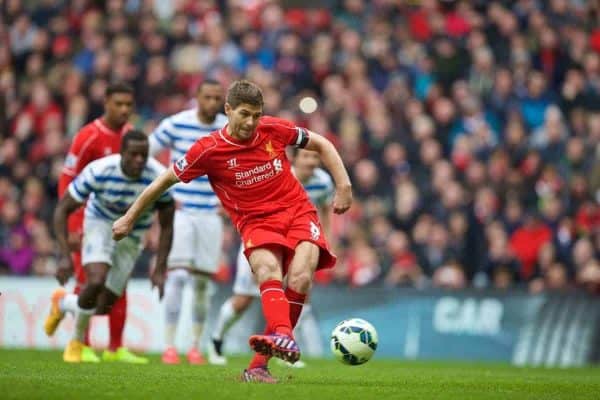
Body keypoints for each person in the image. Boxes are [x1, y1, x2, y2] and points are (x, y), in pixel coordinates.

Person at [112, 80, 352, 383]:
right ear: (228, 110)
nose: (251, 122)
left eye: (256, 114)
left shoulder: (272, 129)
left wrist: (343, 184)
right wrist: (129, 217)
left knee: (303, 275)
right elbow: (164, 180)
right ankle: (273, 349)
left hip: (296, 211)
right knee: (268, 271)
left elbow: (322, 144)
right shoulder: (208, 149)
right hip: (255, 221)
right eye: (244, 114)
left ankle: (269, 353)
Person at [46, 131, 175, 363]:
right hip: (100, 223)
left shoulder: (157, 176)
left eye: (143, 156)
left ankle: (63, 303)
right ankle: (75, 344)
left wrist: (160, 267)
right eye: (133, 154)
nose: (138, 160)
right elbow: (62, 209)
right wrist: (64, 256)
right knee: (95, 280)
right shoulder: (100, 171)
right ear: (121, 153)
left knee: (104, 306)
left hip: (134, 235)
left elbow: (167, 224)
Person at [208, 148, 334, 366]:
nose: (312, 161)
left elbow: (325, 211)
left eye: (315, 157)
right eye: (307, 156)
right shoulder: (280, 176)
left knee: (298, 292)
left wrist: (325, 240)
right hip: (264, 238)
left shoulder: (323, 182)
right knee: (243, 301)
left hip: (298, 240)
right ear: (294, 158)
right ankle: (216, 339)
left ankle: (281, 348)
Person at [46, 82, 144, 363]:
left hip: (119, 222)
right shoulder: (88, 136)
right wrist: (74, 226)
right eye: (119, 104)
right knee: (89, 281)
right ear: (106, 103)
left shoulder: (131, 138)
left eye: (129, 104)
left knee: (119, 283)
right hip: (90, 221)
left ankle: (115, 348)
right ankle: (83, 344)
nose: (124, 110)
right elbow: (68, 180)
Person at [148, 80, 228, 365]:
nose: (212, 103)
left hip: (210, 213)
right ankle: (169, 345)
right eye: (207, 97)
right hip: (180, 211)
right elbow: (145, 153)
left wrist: (226, 200)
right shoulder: (176, 124)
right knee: (178, 276)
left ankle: (195, 346)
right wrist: (167, 189)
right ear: (197, 97)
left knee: (202, 283)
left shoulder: (227, 127)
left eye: (217, 98)